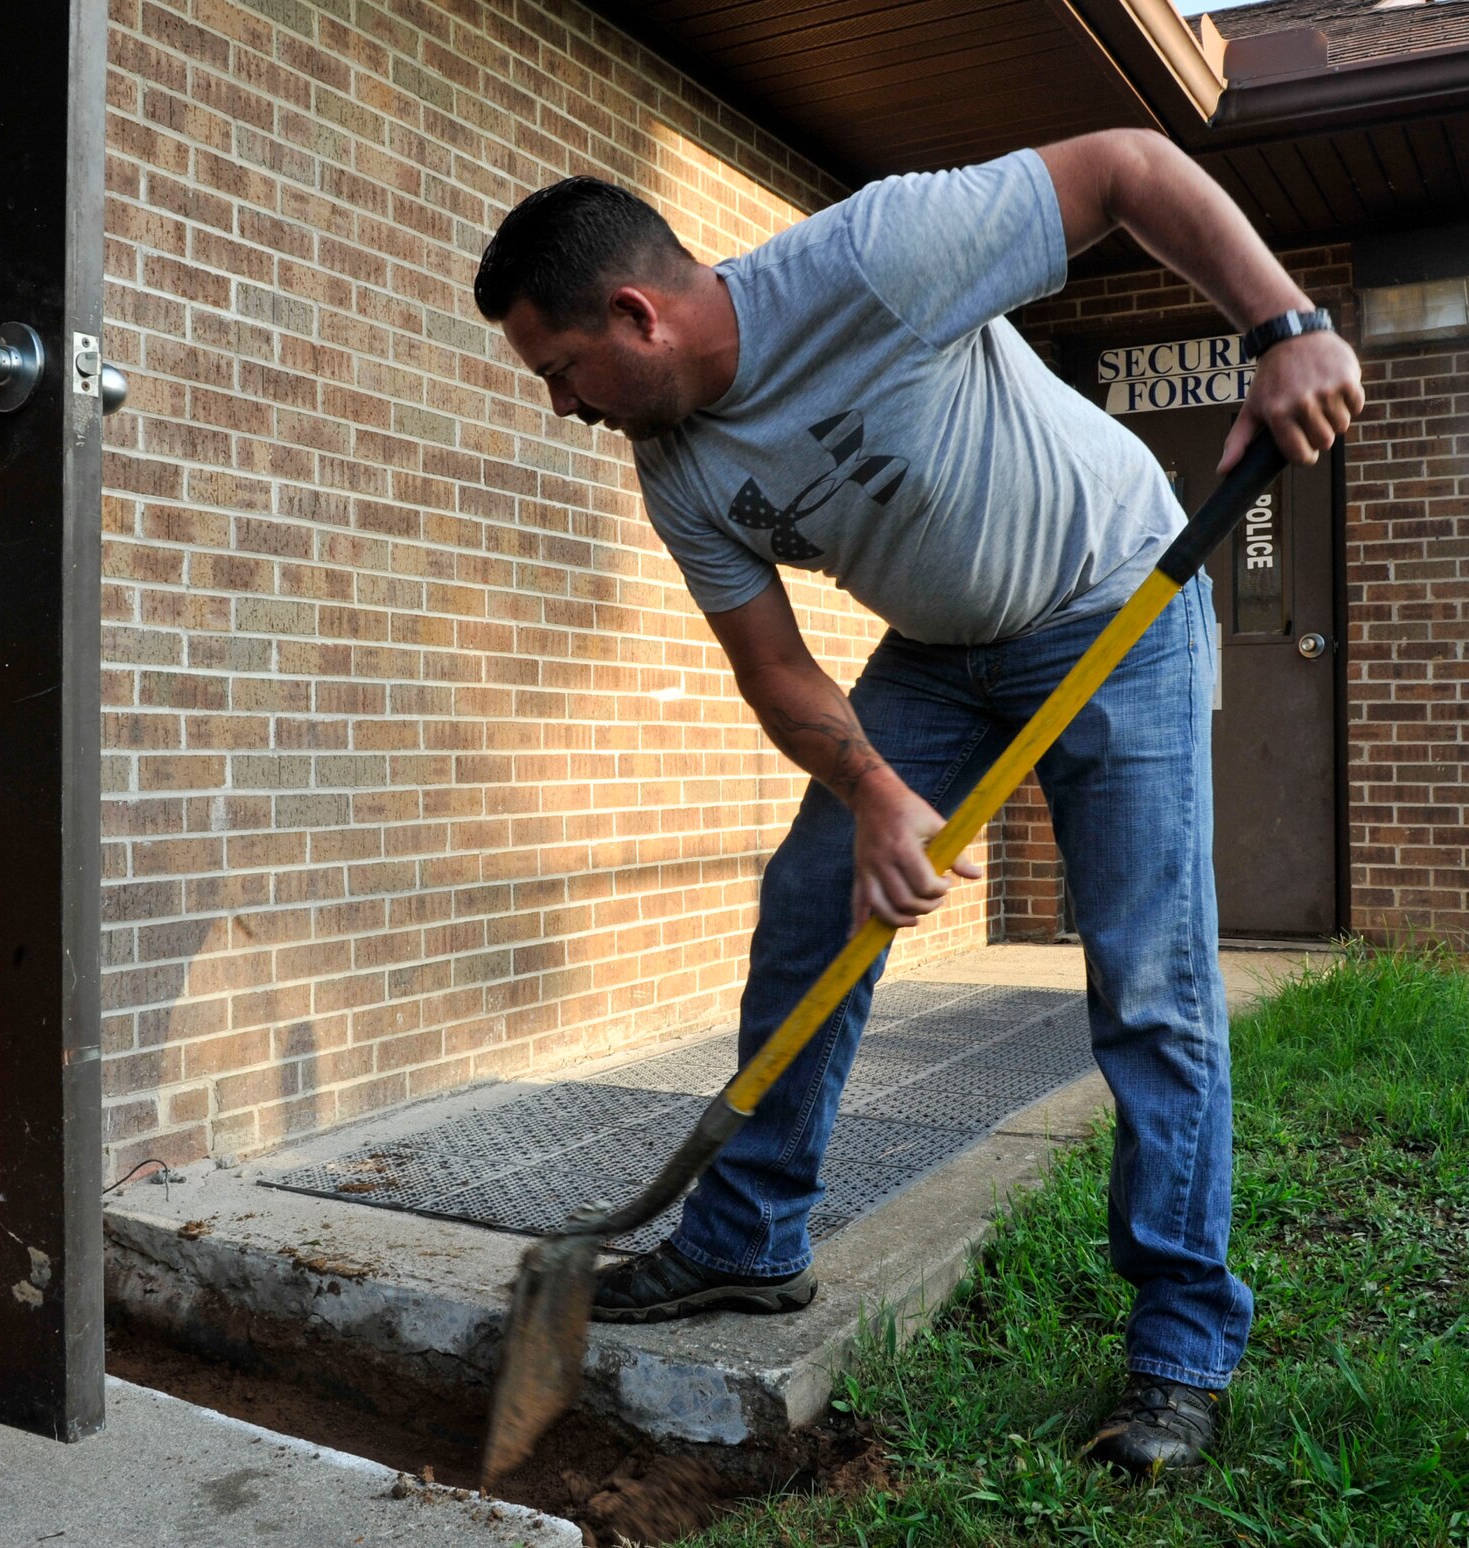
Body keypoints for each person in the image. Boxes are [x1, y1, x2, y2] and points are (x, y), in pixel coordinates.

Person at [471, 129, 1363, 1475]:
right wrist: (879, 794)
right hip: (938, 657)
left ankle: (1181, 1344)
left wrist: (1282, 325)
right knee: (812, 900)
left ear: (636, 316)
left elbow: (1125, 167)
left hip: (1111, 596)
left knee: (1149, 975)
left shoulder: (876, 259)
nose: (564, 408)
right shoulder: (676, 467)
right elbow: (774, 669)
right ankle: (747, 1239)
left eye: (562, 372)